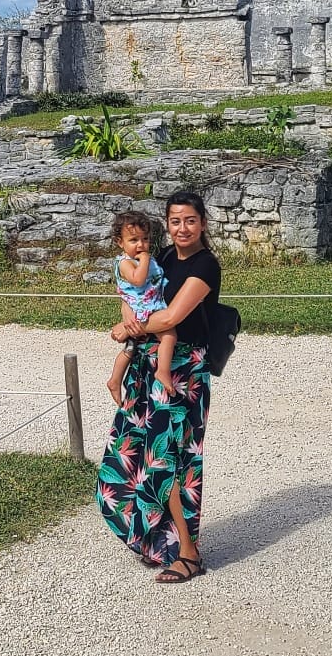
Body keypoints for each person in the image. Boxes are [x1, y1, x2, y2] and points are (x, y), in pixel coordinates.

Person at [97, 189, 223, 585]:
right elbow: (133, 295)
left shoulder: (205, 266)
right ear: (166, 224)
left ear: (203, 223)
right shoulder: (163, 256)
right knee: (130, 456)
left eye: (190, 220)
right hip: (148, 365)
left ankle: (188, 553)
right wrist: (128, 320)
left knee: (170, 461)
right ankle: (160, 541)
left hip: (182, 373)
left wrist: (126, 328)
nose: (182, 228)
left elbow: (170, 315)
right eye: (175, 221)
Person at [105, 210, 177, 402]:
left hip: (150, 304)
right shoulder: (125, 263)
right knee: (169, 335)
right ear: (120, 242)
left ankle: (115, 379)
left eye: (145, 239)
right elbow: (138, 280)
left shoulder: (146, 259)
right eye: (134, 240)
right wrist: (145, 260)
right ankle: (162, 371)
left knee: (130, 348)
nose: (141, 245)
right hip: (142, 308)